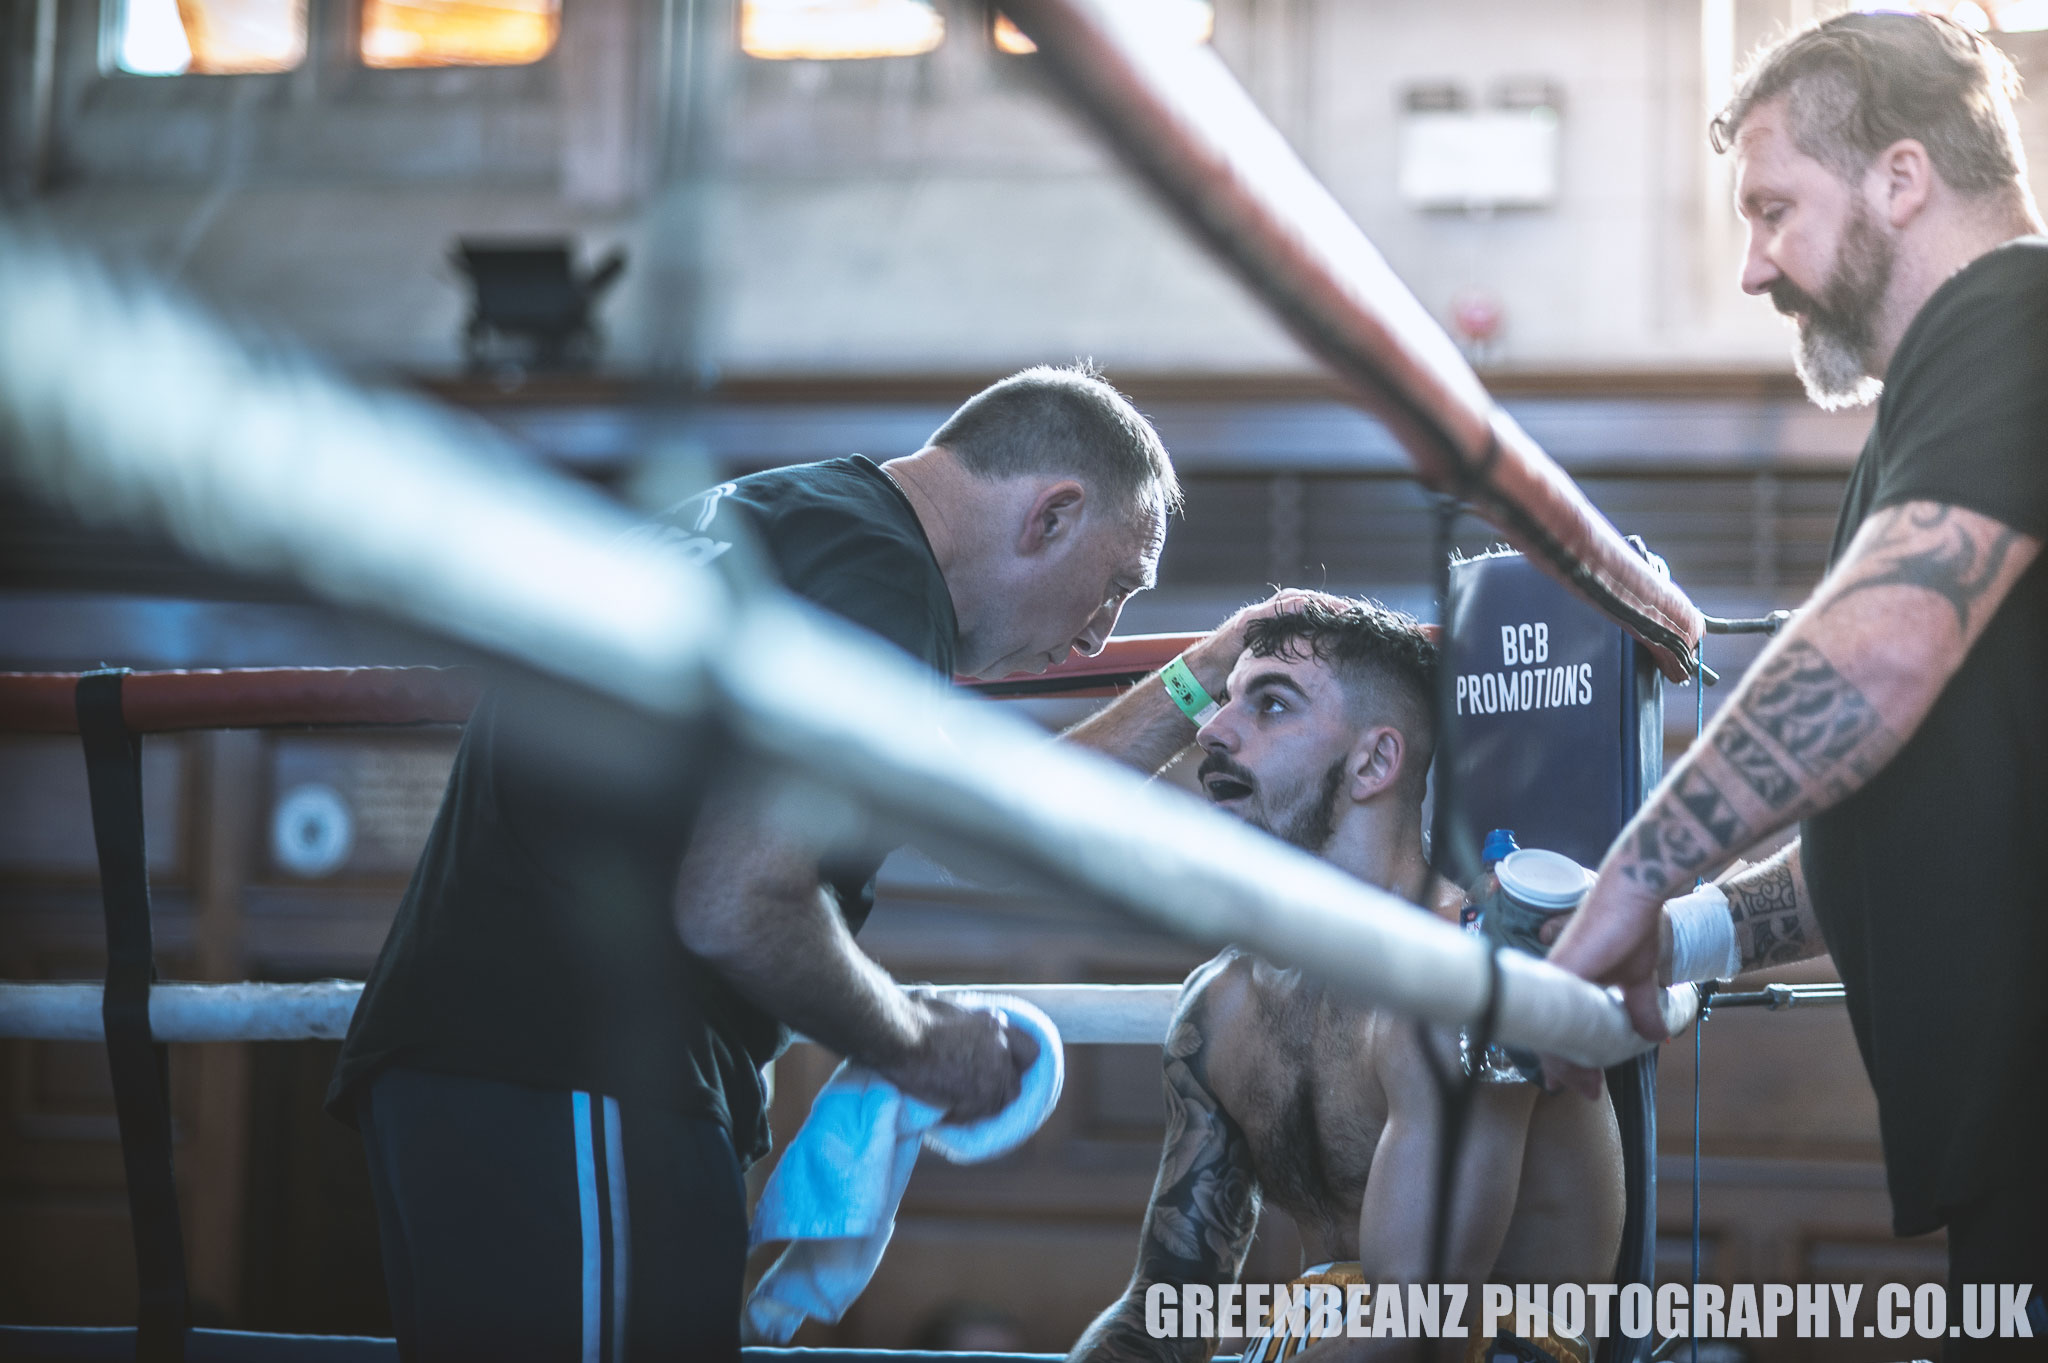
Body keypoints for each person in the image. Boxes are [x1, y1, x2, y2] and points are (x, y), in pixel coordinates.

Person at [325, 363, 1181, 1361]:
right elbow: (740, 899)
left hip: (475, 1074)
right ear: (1051, 514)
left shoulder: (786, 520)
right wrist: (913, 1041)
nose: (1095, 637)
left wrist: (1197, 689)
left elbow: (981, 821)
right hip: (582, 1072)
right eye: (1115, 587)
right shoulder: (878, 585)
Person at [1544, 14, 2048, 1356]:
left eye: (1774, 211)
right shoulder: (1951, 402)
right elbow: (1910, 800)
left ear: (1900, 177)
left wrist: (1633, 876)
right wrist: (1692, 933)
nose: (1757, 267)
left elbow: (1876, 655)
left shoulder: (2018, 313)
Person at [1064, 597, 1625, 1363]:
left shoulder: (1465, 976)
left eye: (1269, 705)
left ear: (1374, 762)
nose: (1211, 731)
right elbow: (1167, 1308)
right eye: (1226, 701)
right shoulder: (1222, 1005)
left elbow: (1418, 1328)